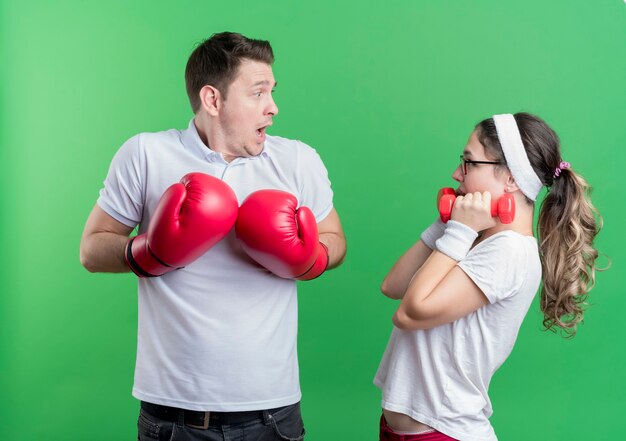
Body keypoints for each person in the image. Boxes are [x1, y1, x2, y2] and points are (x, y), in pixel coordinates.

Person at [79, 32, 346, 441]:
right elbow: (92, 249)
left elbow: (334, 238)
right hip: (172, 414)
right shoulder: (146, 154)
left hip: (272, 412)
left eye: (272, 92)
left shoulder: (297, 159)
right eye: (258, 93)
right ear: (212, 100)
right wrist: (148, 252)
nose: (273, 108)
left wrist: (312, 258)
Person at [374, 113, 602, 441]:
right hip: (406, 431)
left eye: (469, 162)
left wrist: (460, 229)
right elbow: (391, 286)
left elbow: (409, 313)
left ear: (510, 177)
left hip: (444, 433)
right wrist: (448, 224)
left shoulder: (508, 252)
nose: (456, 173)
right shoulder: (473, 239)